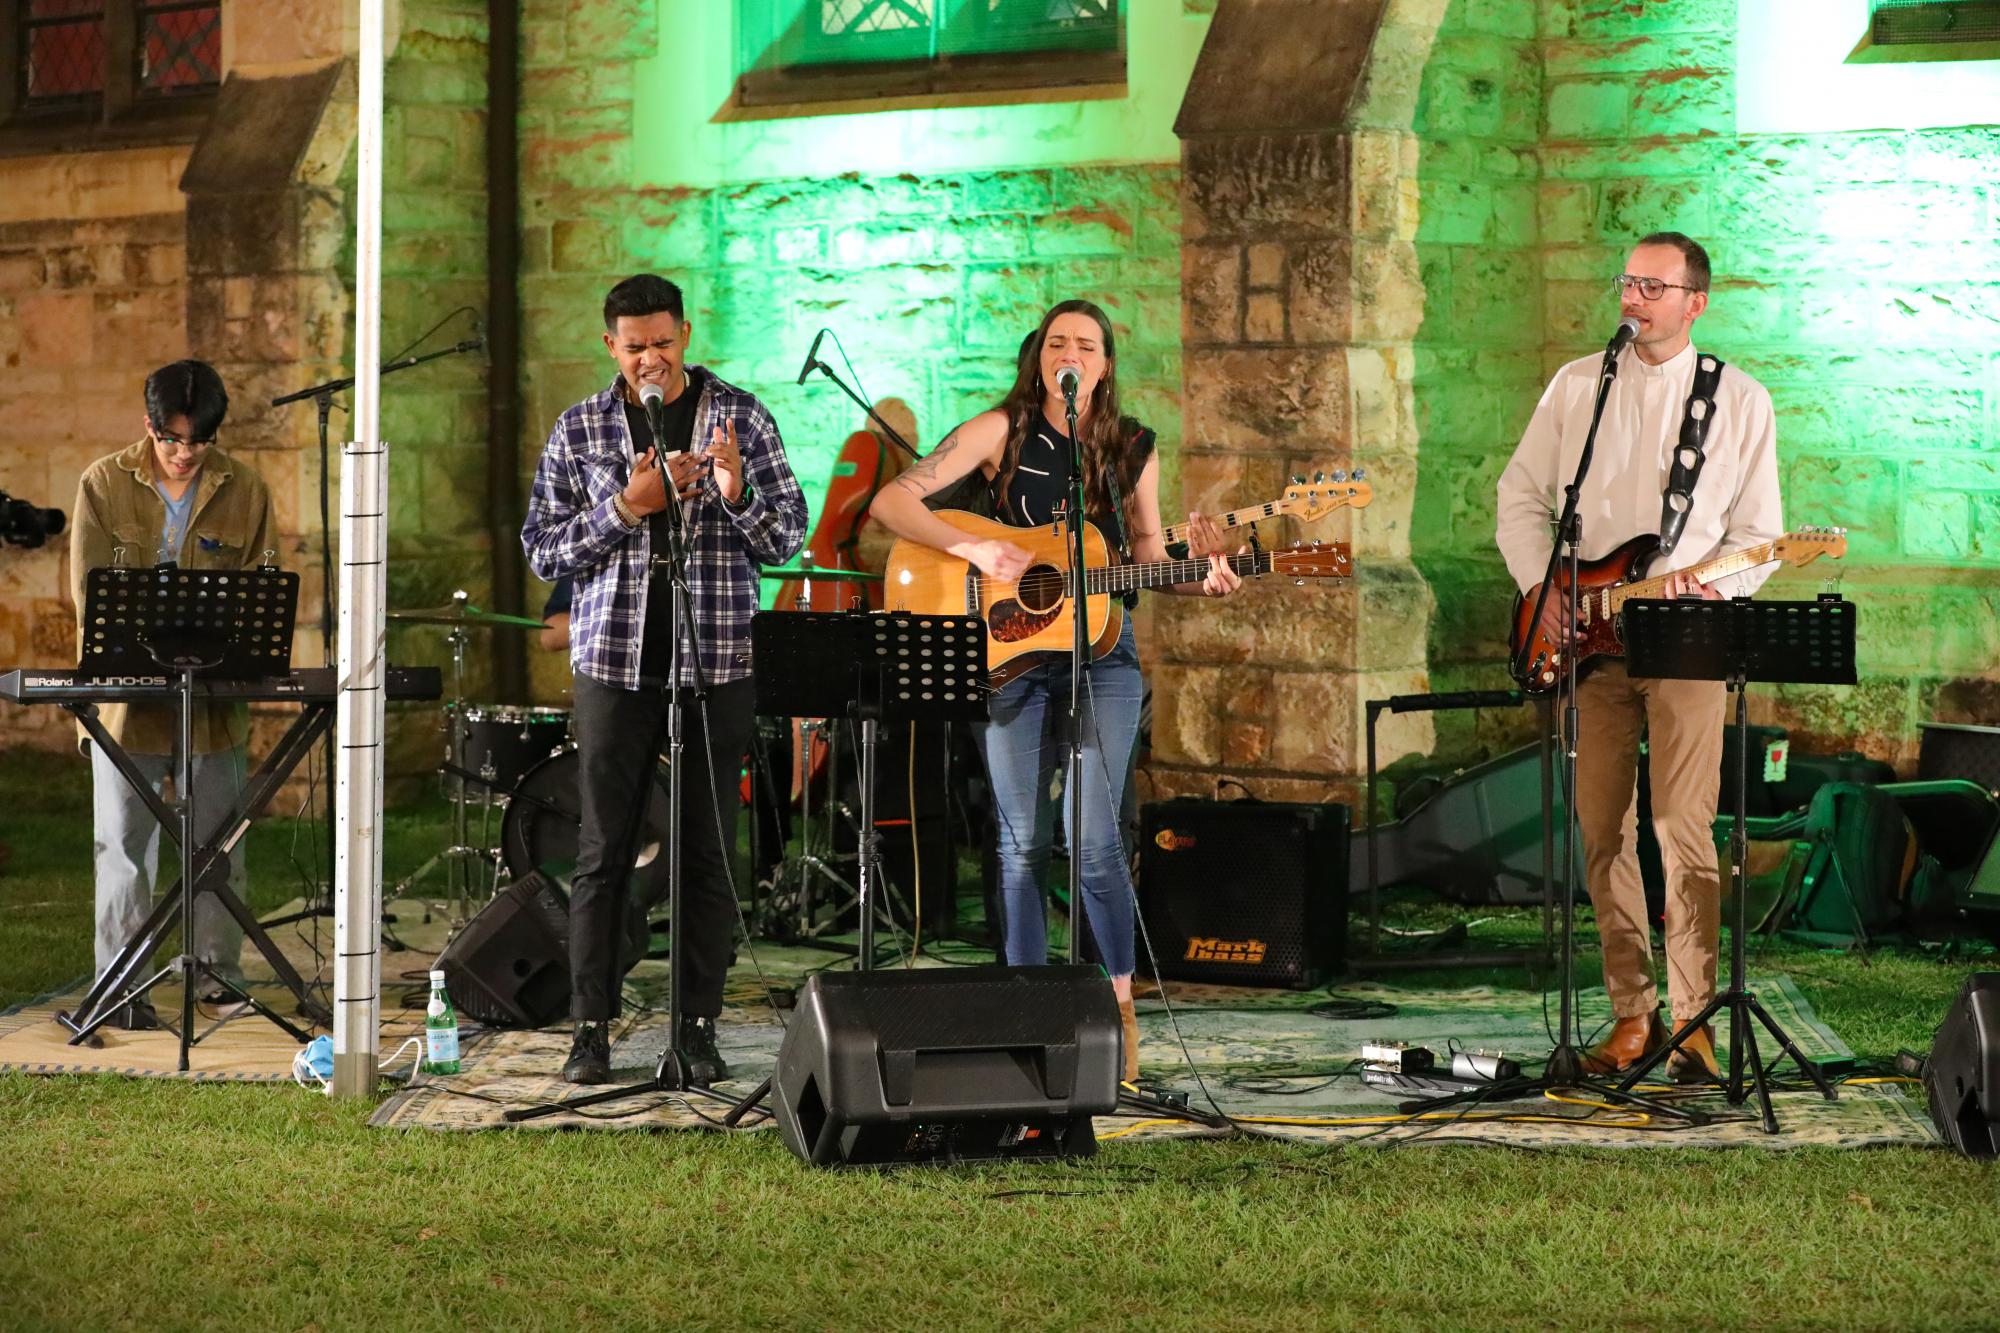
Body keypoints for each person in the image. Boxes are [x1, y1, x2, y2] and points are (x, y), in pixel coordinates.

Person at [865, 298, 1242, 1085]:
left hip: (1104, 653)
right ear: (1040, 354)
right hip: (1010, 651)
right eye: (1058, 341)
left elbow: (1142, 549)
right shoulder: (999, 428)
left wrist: (1195, 574)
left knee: (1096, 841)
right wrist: (972, 541)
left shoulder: (1130, 446)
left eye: (1088, 345)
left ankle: (1115, 1011)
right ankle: (1024, 1008)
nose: (1071, 353)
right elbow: (892, 502)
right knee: (1018, 843)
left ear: (1104, 365)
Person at [1495, 232, 1783, 1081]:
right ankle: (1632, 1010)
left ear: (1696, 300)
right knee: (1600, 827)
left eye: (1653, 286)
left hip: (1687, 637)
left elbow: (1762, 538)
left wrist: (1717, 591)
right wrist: (1542, 588)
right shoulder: (1578, 384)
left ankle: (1694, 1018)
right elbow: (1520, 496)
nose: (1634, 298)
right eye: (1628, 281)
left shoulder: (1739, 398)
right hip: (1586, 640)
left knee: (1680, 825)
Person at [522, 274, 807, 1085]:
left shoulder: (741, 417)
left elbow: (787, 533)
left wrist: (735, 489)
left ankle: (698, 1027)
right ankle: (590, 1028)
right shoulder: (580, 428)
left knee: (708, 853)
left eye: (664, 342)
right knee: (604, 849)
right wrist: (629, 504)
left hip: (715, 664)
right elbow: (542, 548)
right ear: (610, 345)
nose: (652, 358)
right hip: (614, 665)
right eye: (635, 345)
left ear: (687, 334)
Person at [70, 360, 277, 1028]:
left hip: (213, 703)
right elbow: (87, 590)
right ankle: (123, 982)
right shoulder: (102, 482)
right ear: (148, 426)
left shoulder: (246, 488)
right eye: (171, 441)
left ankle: (217, 973)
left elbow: (261, 583)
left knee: (219, 843)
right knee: (124, 847)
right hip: (127, 705)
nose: (185, 454)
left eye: (199, 441)